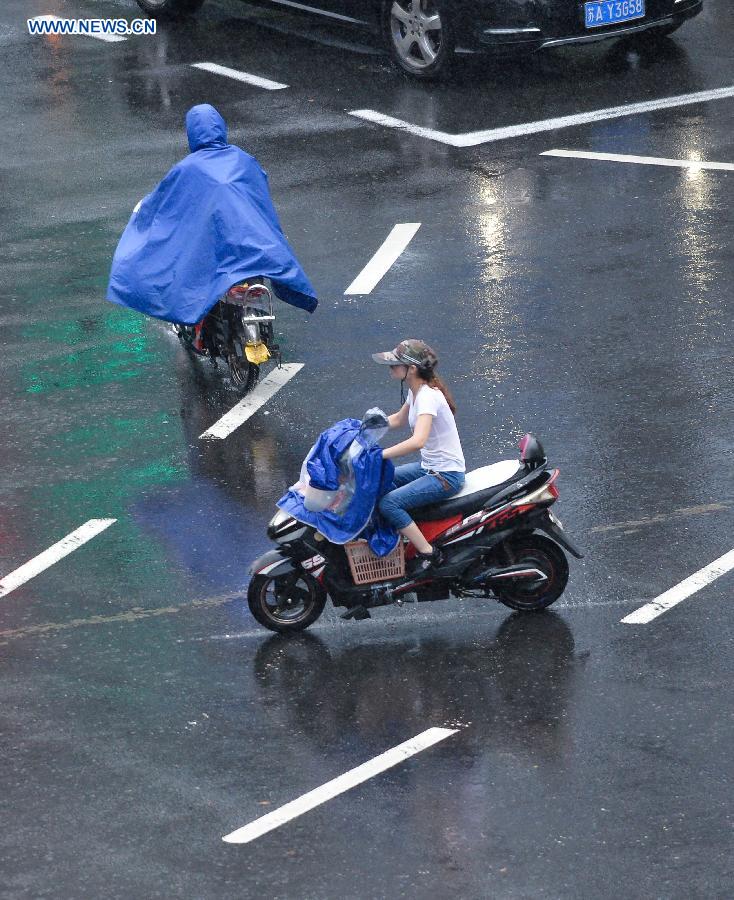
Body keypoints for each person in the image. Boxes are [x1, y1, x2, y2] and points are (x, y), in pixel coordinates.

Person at [106, 103, 317, 328]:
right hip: (253, 243)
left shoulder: (187, 168)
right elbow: (259, 192)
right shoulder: (243, 160)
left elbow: (164, 202)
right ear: (221, 128)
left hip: (216, 248)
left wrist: (143, 212)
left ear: (192, 133)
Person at [372, 339, 466, 569]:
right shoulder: (416, 392)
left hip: (446, 476)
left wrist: (379, 455)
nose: (391, 368)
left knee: (389, 504)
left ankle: (428, 553)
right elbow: (398, 419)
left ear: (411, 369)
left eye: (396, 364)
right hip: (430, 467)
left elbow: (418, 440)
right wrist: (361, 429)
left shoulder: (428, 396)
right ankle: (407, 529)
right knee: (384, 478)